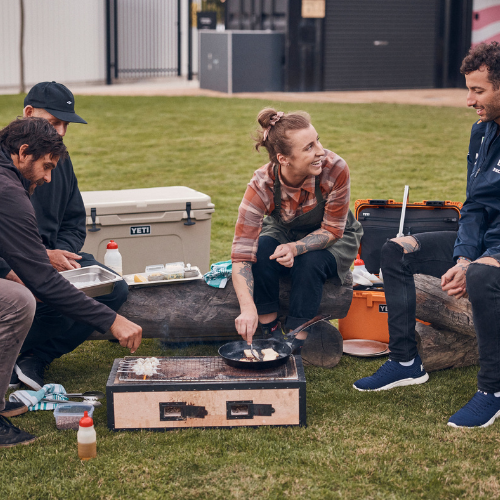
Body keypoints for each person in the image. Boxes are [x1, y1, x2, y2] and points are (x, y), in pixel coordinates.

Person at [354, 41, 500, 428]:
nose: (468, 100)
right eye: (468, 89)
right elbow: (474, 206)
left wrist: (485, 259)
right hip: (483, 244)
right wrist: (464, 257)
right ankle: (405, 361)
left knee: (486, 275)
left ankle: (493, 390)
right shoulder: (482, 132)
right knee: (395, 251)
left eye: (478, 90)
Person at [0, 117, 142, 447]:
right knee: (19, 300)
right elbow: (44, 282)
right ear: (23, 153)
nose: (49, 178)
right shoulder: (8, 191)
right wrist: (113, 321)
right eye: (46, 167)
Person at [0, 82, 129, 392]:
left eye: (65, 125)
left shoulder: (55, 160)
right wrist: (38, 262)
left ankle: (35, 356)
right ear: (28, 115)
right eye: (53, 122)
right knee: (35, 294)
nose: (60, 132)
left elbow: (74, 221)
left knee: (113, 288)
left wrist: (62, 255)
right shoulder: (9, 186)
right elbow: (24, 259)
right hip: (13, 264)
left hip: (47, 258)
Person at [231, 108, 363, 367]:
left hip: (336, 234)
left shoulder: (335, 169)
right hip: (284, 230)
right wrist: (248, 309)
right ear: (283, 159)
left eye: (318, 141)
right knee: (264, 248)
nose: (321, 151)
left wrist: (295, 248)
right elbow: (241, 254)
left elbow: (332, 230)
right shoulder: (261, 185)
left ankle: (295, 339)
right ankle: (268, 330)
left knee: (309, 263)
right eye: (309, 147)